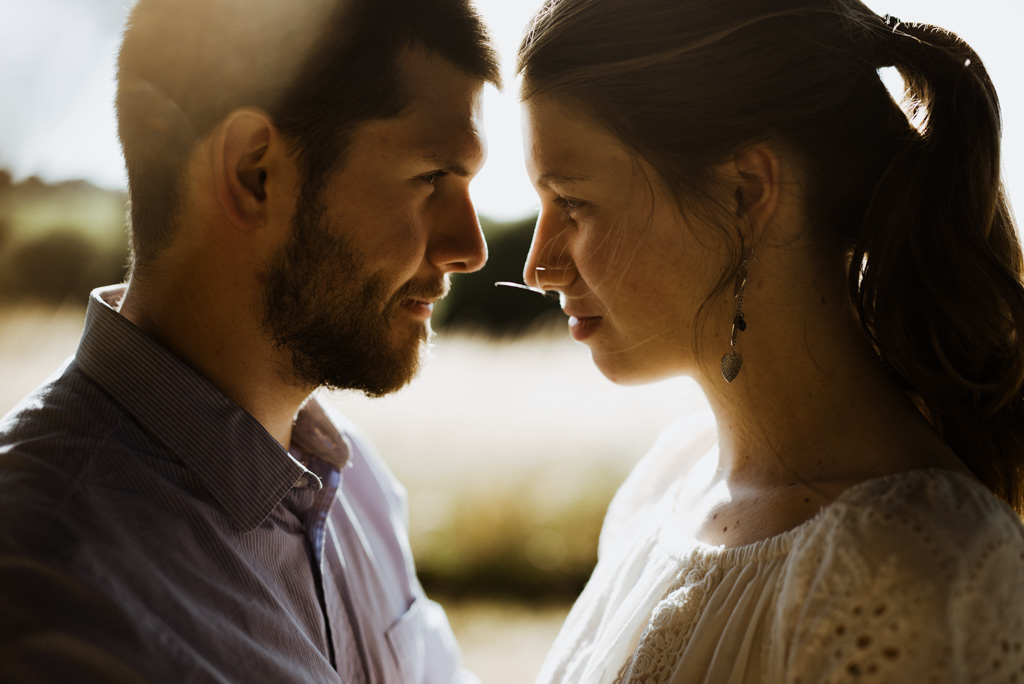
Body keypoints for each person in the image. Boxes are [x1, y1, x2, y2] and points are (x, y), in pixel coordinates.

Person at [517, 0, 1024, 681]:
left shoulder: (919, 566)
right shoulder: (666, 483)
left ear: (745, 192)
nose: (537, 265)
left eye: (573, 203)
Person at [0, 0, 499, 681]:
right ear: (253, 173)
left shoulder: (361, 492)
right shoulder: (49, 590)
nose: (469, 247)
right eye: (432, 179)